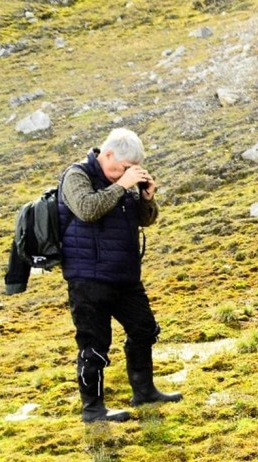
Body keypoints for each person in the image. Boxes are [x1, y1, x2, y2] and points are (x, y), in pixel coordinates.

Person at [59, 128, 181, 423]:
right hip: (88, 278)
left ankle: (144, 391)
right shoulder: (76, 175)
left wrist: (147, 199)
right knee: (94, 344)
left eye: (131, 170)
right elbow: (87, 209)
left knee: (144, 330)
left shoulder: (123, 182)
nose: (126, 173)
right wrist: (122, 185)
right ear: (108, 154)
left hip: (125, 277)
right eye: (124, 167)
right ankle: (93, 409)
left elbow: (145, 220)